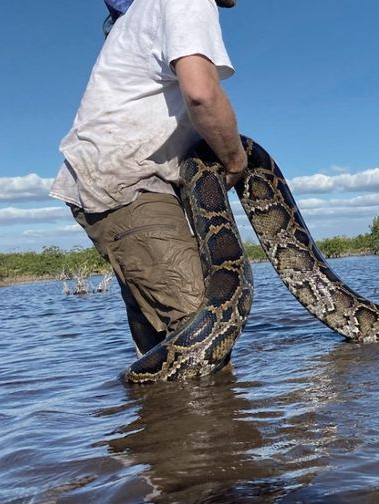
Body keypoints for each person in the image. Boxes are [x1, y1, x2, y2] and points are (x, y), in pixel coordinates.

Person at [49, 0, 247, 356]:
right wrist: (235, 160)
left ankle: (154, 412)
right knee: (203, 327)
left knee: (161, 345)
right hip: (132, 182)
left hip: (114, 180)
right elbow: (201, 94)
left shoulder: (146, 8)